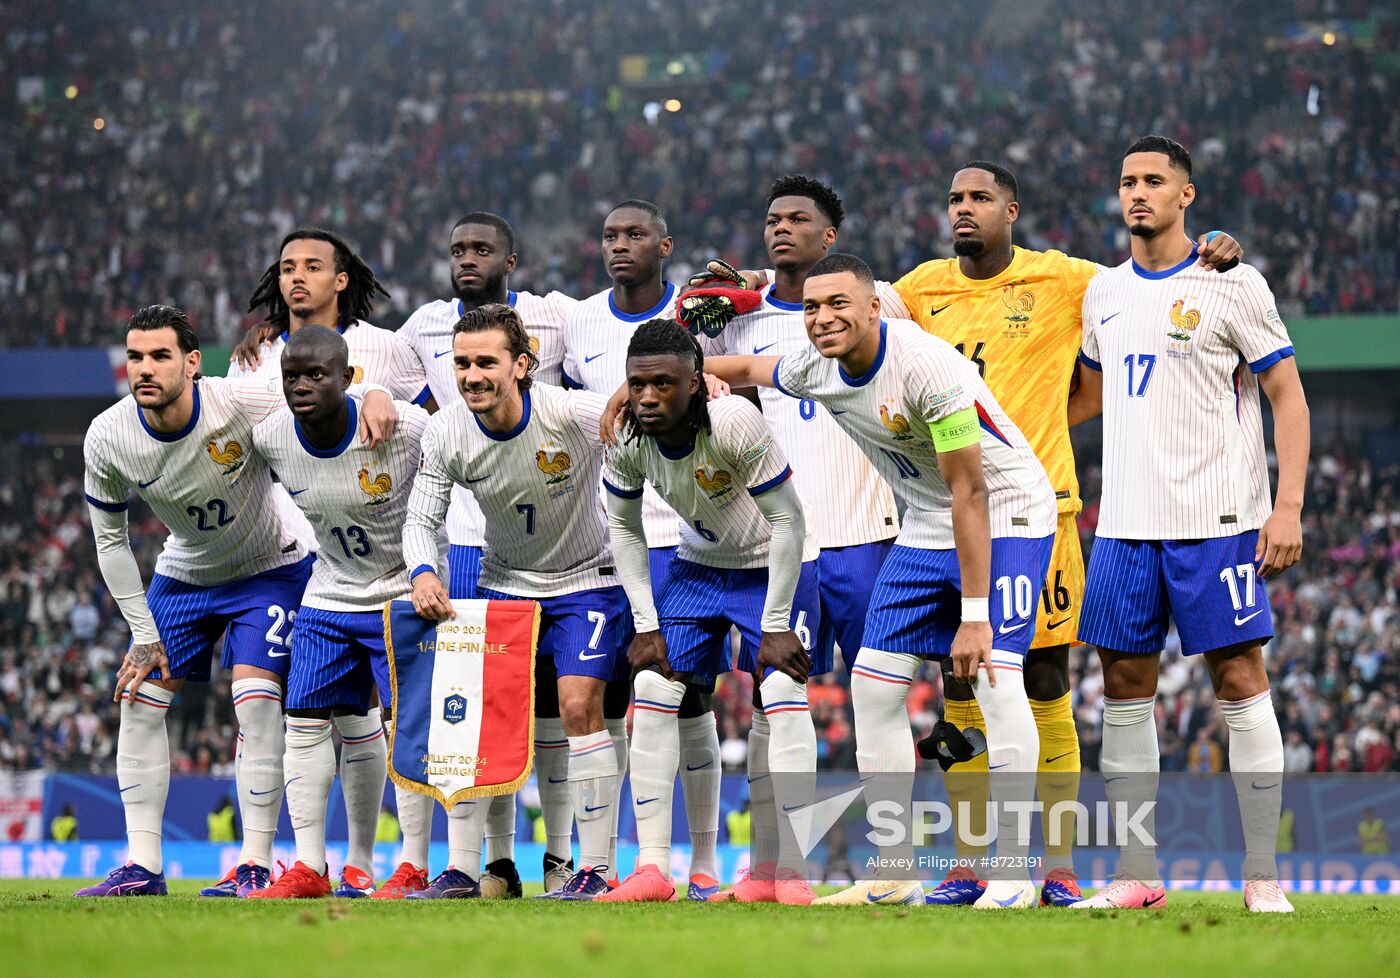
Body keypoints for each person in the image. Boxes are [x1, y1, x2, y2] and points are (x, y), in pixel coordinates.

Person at [891, 162, 1243, 907]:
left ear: (1011, 209)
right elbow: (840, 303)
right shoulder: (920, 289)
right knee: (960, 682)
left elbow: (1152, 275)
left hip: (1040, 510)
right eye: (954, 197)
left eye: (980, 197)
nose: (964, 208)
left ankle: (1055, 867)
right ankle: (968, 864)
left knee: (1042, 680)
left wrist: (1213, 245)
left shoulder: (1067, 280)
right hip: (951, 513)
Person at [690, 253, 1057, 908]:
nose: (823, 318)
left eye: (838, 305)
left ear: (870, 308)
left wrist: (975, 615)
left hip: (1007, 514)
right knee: (873, 685)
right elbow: (744, 367)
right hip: (925, 522)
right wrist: (655, 385)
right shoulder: (813, 363)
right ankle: (893, 873)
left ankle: (1012, 876)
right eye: (811, 307)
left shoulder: (927, 367)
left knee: (997, 678)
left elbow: (971, 490)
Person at [77, 305, 394, 898]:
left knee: (257, 701)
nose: (144, 368)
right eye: (136, 356)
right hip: (185, 572)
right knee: (138, 701)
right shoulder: (108, 435)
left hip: (269, 567)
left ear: (193, 363)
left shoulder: (237, 402)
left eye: (160, 356)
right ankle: (143, 866)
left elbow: (323, 398)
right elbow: (110, 543)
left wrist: (374, 392)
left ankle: (255, 862)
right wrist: (143, 632)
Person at [1068, 135, 1309, 914]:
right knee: (1123, 693)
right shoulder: (1102, 292)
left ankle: (1264, 876)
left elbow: (1288, 398)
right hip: (1126, 525)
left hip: (1217, 519)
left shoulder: (1233, 282)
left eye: (1153, 181)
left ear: (1186, 195)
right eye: (1127, 180)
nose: (1137, 193)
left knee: (1240, 682)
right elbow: (1090, 399)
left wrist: (1289, 505)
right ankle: (1138, 874)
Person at [704, 176, 900, 900]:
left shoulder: (876, 301)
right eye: (771, 219)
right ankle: (774, 870)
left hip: (868, 535)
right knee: (773, 700)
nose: (780, 228)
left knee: (878, 699)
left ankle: (893, 865)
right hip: (783, 545)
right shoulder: (738, 324)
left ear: (830, 239)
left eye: (798, 219)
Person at [229, 227, 433, 900]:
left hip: (403, 583)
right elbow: (227, 438)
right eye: (286, 265)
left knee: (401, 724)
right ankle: (310, 866)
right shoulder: (262, 377)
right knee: (305, 718)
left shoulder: (391, 360)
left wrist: (385, 402)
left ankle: (405, 861)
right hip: (321, 578)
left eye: (313, 265)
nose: (297, 276)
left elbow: (447, 431)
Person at [402, 302, 632, 900]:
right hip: (505, 585)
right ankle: (466, 868)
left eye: (486, 362)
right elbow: (421, 518)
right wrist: (425, 570)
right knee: (479, 722)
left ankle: (596, 869)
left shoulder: (567, 412)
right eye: (461, 364)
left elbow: (626, 405)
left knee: (579, 707)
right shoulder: (449, 429)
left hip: (587, 580)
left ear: (523, 364)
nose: (472, 375)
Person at [598, 318, 821, 905]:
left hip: (771, 566)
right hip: (697, 567)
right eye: (637, 384)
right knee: (651, 689)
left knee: (784, 695)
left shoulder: (734, 422)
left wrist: (774, 624)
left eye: (664, 384)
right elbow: (622, 527)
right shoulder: (628, 437)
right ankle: (651, 870)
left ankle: (785, 871)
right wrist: (646, 623)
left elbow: (788, 521)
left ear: (696, 382)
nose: (648, 397)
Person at [397, 212, 582, 899]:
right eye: (457, 250)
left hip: (550, 542)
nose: (467, 259)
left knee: (553, 712)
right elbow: (361, 367)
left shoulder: (557, 317)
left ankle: (561, 858)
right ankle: (489, 862)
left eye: (482, 248)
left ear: (513, 257)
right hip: (467, 547)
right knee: (473, 711)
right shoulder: (422, 327)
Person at [561, 201, 724, 900]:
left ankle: (706, 863)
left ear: (666, 244)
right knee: (622, 697)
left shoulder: (706, 312)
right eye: (609, 235)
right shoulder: (576, 322)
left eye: (635, 235)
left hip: (686, 535)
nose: (620, 246)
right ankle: (609, 861)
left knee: (689, 700)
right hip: (609, 536)